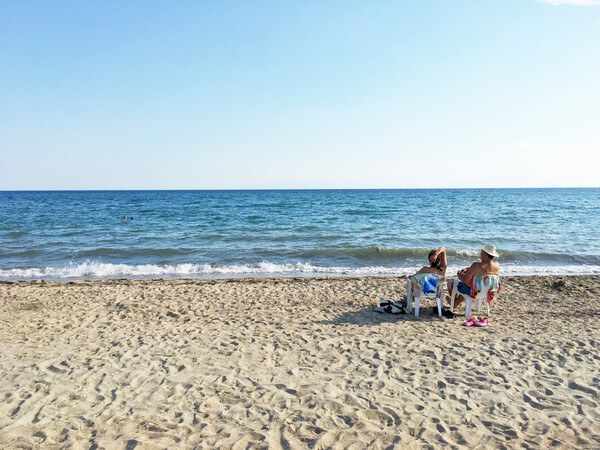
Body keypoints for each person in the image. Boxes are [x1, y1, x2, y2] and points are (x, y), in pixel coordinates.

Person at [446, 244, 499, 310]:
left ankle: (454, 303)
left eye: (481, 251)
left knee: (451, 284)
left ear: (485, 254)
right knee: (468, 285)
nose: (480, 253)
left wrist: (460, 276)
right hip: (485, 291)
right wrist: (467, 269)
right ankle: (455, 303)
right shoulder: (496, 265)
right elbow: (483, 271)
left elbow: (465, 280)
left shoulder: (476, 265)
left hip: (473, 291)